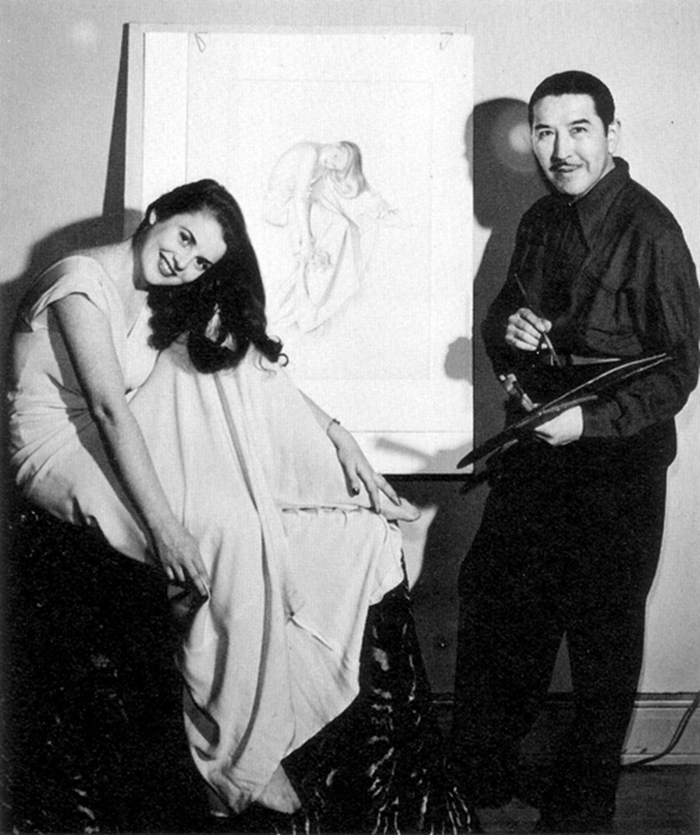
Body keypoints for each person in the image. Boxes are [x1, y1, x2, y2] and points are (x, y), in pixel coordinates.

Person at [8, 179, 478, 832]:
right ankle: (234, 759)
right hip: (59, 448)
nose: (183, 262)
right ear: (157, 214)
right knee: (219, 530)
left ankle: (259, 702)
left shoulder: (158, 292)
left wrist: (336, 434)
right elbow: (111, 411)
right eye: (183, 237)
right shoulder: (80, 281)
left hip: (120, 433)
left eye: (201, 259)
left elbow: (254, 367)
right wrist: (166, 529)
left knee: (247, 485)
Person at [450, 71, 700, 832]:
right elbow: (502, 318)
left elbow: (680, 368)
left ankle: (584, 806)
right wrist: (510, 331)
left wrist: (588, 425)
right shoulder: (539, 219)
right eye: (545, 132)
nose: (561, 150)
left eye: (579, 130)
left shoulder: (652, 231)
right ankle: (484, 774)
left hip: (618, 460)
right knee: (497, 597)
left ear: (611, 135)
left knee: (602, 634)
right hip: (539, 446)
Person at [263, 141, 396, 333]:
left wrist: (378, 203)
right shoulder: (310, 153)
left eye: (336, 164)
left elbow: (350, 188)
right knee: (337, 227)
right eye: (335, 156)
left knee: (341, 225)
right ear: (335, 145)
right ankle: (312, 299)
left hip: (293, 207)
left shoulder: (323, 164)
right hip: (281, 208)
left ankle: (318, 293)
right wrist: (307, 240)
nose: (331, 163)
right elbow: (300, 197)